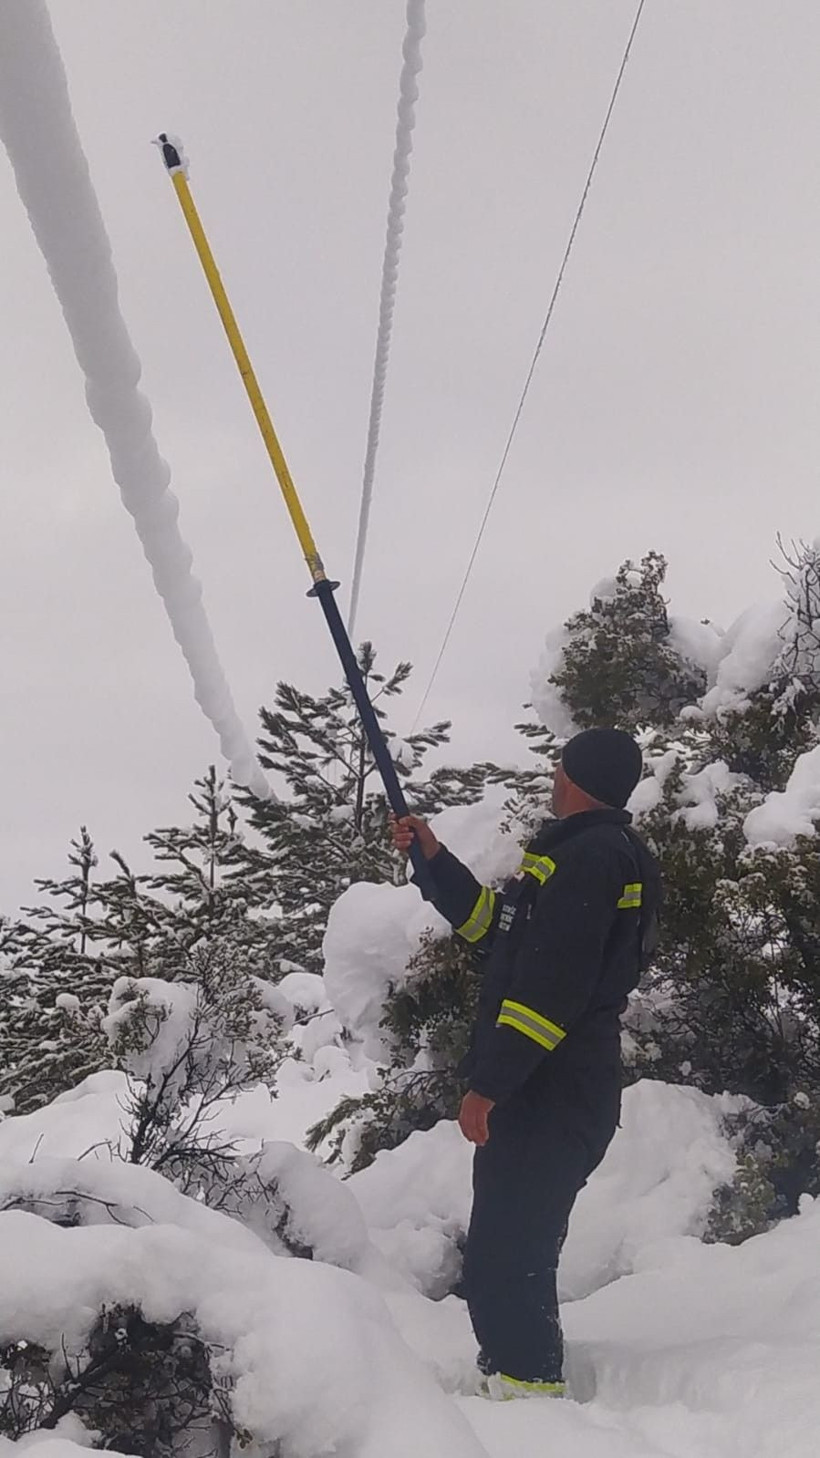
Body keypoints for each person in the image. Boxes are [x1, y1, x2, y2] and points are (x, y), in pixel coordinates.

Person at [390, 726, 661, 1399]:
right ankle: (515, 1379)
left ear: (576, 775)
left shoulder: (593, 857)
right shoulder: (579, 853)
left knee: (511, 1254)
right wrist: (433, 861)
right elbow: (497, 932)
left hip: (554, 1091)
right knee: (509, 1247)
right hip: (553, 1090)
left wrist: (488, 1085)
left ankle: (530, 1394)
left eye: (559, 763)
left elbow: (550, 990)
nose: (552, 771)